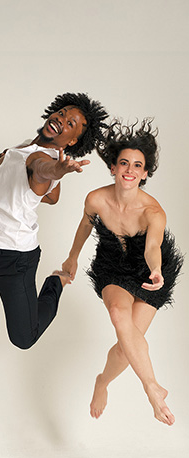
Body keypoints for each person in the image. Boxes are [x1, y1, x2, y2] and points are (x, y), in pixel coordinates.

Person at [0, 93, 109, 349]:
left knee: (23, 338)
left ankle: (56, 282)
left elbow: (42, 169)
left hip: (13, 261)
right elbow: (51, 196)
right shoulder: (26, 147)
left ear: (73, 140)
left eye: (70, 125)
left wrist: (57, 171)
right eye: (63, 113)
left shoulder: (42, 159)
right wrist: (38, 184)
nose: (62, 119)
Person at [62, 119, 182, 425]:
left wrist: (155, 270)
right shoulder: (96, 199)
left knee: (129, 346)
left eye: (137, 165)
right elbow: (85, 226)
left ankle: (102, 381)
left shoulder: (153, 212)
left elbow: (152, 247)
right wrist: (72, 258)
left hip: (148, 270)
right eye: (124, 163)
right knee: (119, 314)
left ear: (144, 174)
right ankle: (152, 388)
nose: (130, 169)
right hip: (112, 265)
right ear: (113, 168)